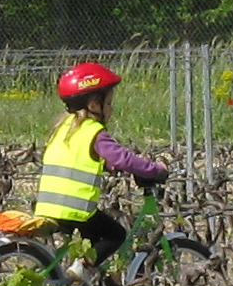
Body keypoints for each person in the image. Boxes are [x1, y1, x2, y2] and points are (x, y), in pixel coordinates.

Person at [32, 61, 168, 267]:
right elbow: (123, 158)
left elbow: (76, 157)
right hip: (75, 208)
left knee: (92, 240)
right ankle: (80, 271)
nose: (111, 109)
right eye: (109, 103)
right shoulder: (93, 131)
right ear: (94, 105)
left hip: (49, 204)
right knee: (115, 235)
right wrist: (153, 170)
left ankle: (84, 279)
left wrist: (104, 165)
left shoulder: (64, 127)